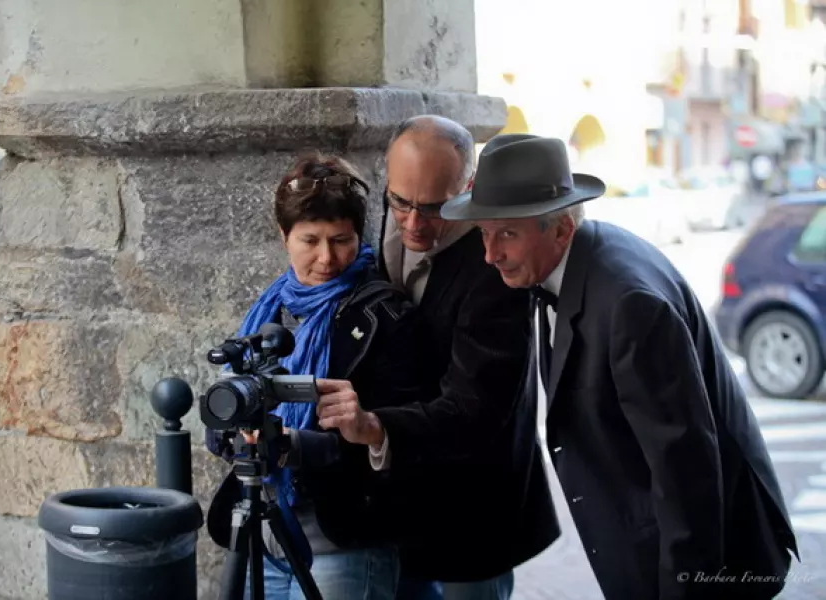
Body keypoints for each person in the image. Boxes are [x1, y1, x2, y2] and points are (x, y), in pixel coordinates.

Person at [436, 133, 799, 599]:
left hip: (707, 569)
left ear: (562, 228)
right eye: (484, 233)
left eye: (507, 233)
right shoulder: (568, 263)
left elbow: (686, 472)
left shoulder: (629, 305)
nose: (490, 254)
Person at [316, 116, 560, 600]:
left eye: (433, 208)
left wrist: (377, 427)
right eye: (400, 202)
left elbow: (475, 411)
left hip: (471, 510)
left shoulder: (496, 267)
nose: (411, 223)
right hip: (393, 509)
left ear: (468, 187)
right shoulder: (380, 218)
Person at [205, 153, 423, 600]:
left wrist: (295, 445)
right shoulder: (272, 308)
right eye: (310, 240)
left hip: (342, 542)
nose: (327, 258)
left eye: (341, 240)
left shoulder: (386, 316)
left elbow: (405, 439)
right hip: (264, 536)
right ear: (284, 237)